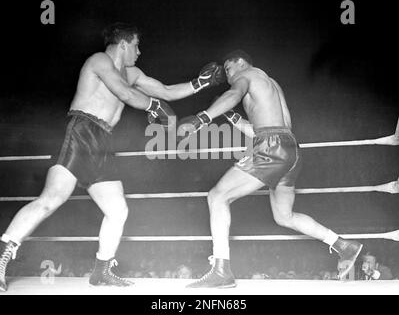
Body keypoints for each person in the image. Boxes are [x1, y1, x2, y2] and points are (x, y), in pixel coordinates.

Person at [0, 22, 224, 292]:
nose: (139, 52)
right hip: (81, 131)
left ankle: (102, 270)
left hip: (103, 140)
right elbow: (125, 93)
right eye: (137, 46)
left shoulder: (132, 72)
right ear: (124, 44)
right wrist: (153, 106)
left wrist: (199, 84)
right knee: (51, 199)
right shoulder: (99, 61)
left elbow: (165, 91)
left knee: (117, 210)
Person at [178, 49, 363, 288]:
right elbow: (263, 127)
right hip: (290, 148)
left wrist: (201, 118)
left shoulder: (248, 74)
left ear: (241, 63)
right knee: (284, 216)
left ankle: (221, 270)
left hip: (272, 147)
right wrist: (231, 118)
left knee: (217, 196)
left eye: (228, 68)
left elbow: (233, 94)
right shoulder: (270, 84)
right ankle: (343, 245)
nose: (227, 75)